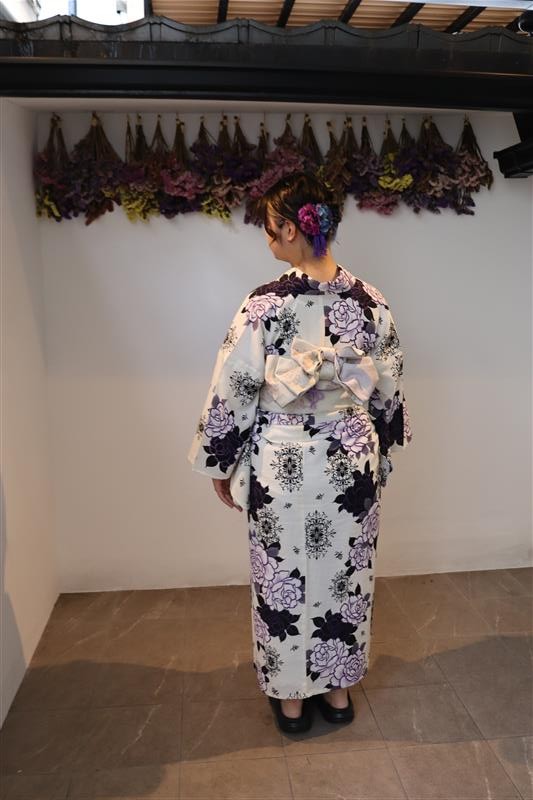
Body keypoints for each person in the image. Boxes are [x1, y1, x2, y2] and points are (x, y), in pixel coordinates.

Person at [187, 171, 412, 734]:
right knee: (347, 572)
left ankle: (291, 702)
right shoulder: (371, 302)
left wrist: (221, 461)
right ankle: (337, 692)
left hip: (283, 463)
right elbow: (388, 388)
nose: (267, 238)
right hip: (350, 460)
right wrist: (380, 446)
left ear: (291, 229)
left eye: (269, 227)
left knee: (281, 573)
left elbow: (234, 385)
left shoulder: (263, 304)